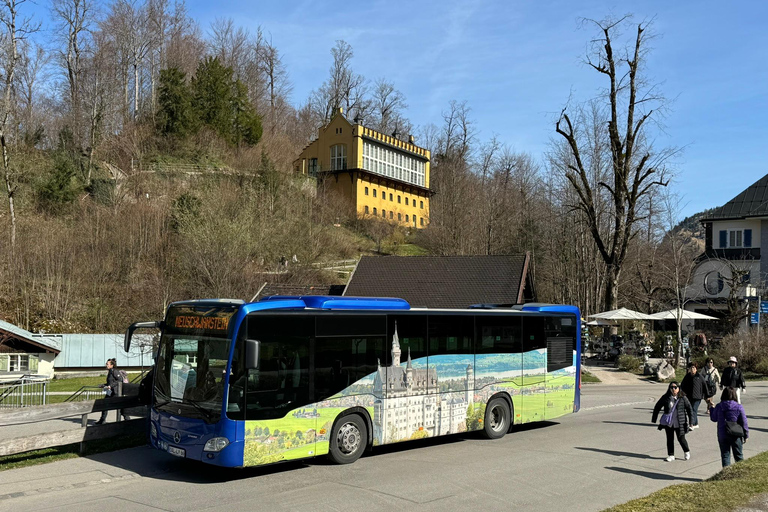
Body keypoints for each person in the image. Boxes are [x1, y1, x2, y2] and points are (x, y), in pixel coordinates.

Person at [707, 387, 749, 467]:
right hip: (736, 434)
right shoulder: (738, 407)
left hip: (722, 433)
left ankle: (726, 475)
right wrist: (746, 434)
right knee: (738, 456)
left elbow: (714, 418)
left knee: (725, 455)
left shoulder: (719, 406)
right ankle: (741, 474)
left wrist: (711, 408)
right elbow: (744, 422)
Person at [652, 381, 693, 462]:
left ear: (678, 388)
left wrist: (691, 421)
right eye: (671, 387)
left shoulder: (683, 397)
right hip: (669, 422)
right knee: (670, 439)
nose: (673, 389)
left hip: (680, 422)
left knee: (681, 438)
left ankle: (686, 451)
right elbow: (657, 406)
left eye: (675, 387)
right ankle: (671, 455)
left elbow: (689, 409)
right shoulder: (666, 397)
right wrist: (654, 419)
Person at [95, 358, 130, 424]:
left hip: (115, 392)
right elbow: (110, 382)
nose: (106, 365)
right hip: (109, 392)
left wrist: (111, 386)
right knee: (104, 405)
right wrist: (103, 385)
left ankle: (127, 419)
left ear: (112, 365)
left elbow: (119, 380)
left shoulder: (115, 371)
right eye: (106, 364)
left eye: (107, 364)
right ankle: (102, 420)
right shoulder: (110, 372)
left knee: (120, 406)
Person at [680, 362, 707, 428]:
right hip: (689, 396)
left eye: (694, 368)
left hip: (698, 397)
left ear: (696, 369)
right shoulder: (687, 376)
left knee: (693, 410)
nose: (692, 369)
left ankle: (691, 424)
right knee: (691, 410)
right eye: (691, 368)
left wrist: (707, 396)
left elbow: (705, 386)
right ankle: (696, 423)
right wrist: (682, 393)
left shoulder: (700, 377)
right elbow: (682, 385)